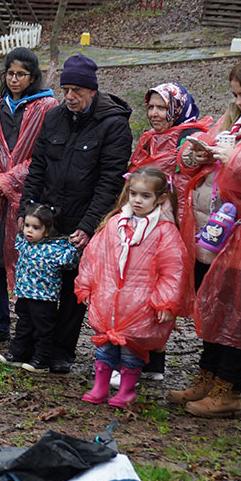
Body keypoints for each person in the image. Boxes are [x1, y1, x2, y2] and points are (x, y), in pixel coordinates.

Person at [19, 54, 133, 372]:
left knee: (73, 290)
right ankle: (33, 345)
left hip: (82, 218)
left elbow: (110, 182)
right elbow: (37, 166)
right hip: (47, 217)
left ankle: (61, 351)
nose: (69, 97)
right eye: (65, 90)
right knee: (38, 283)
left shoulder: (113, 125)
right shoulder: (54, 118)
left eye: (76, 91)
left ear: (92, 90)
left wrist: (89, 225)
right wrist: (26, 208)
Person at [172, 63, 241, 418]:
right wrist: (195, 155)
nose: (240, 102)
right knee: (217, 306)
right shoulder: (233, 121)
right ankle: (209, 375)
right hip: (218, 233)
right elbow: (190, 161)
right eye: (235, 95)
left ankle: (229, 389)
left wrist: (234, 158)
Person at [75, 167, 188, 408]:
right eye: (133, 194)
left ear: (161, 198)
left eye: (145, 196)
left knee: (131, 350)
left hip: (140, 303)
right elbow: (94, 256)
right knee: (105, 346)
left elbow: (173, 270)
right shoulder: (115, 224)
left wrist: (165, 302)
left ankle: (126, 390)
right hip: (108, 300)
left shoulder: (164, 232)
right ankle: (100, 386)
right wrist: (86, 285)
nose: (137, 200)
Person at [0, 48, 55, 346]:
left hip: (30, 198)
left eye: (21, 74)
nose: (14, 79)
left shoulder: (46, 108)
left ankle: (27, 327)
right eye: (10, 74)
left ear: (33, 76)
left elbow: (43, 154)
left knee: (27, 260)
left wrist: (12, 179)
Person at [128, 83, 214, 371]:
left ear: (176, 109)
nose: (154, 113)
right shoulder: (148, 139)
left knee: (164, 290)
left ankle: (154, 359)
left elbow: (189, 164)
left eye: (162, 108)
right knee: (142, 288)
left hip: (176, 227)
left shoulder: (192, 137)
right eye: (151, 107)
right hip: (144, 222)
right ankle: (143, 357)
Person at [0, 204, 79, 372]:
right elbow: (17, 241)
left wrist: (73, 247)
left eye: (35, 227)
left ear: (46, 231)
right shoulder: (24, 244)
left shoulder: (55, 249)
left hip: (44, 297)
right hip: (24, 293)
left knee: (43, 329)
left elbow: (69, 261)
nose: (29, 230)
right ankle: (18, 352)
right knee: (23, 324)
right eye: (27, 225)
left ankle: (42, 358)